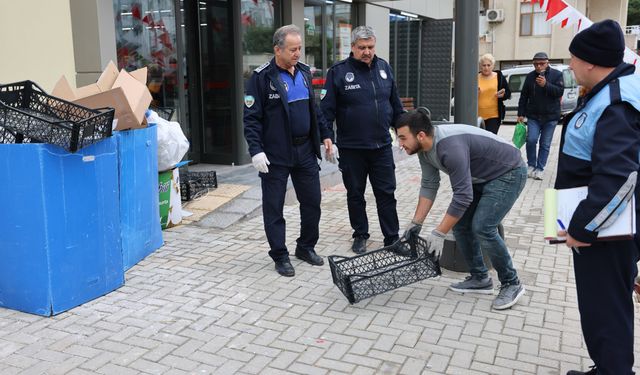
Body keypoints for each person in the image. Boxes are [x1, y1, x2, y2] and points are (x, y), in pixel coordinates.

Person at [555, 19, 640, 375]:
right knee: (605, 304)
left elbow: (620, 178)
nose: (570, 66)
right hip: (605, 226)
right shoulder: (611, 89)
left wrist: (583, 228)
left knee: (605, 306)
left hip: (605, 232)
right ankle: (608, 366)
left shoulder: (617, 102)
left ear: (589, 61)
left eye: (573, 59)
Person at [395, 108, 527, 310]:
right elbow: (429, 185)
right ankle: (480, 278)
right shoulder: (424, 150)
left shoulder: (449, 148)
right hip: (482, 176)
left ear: (420, 135)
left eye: (403, 138)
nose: (400, 144)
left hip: (508, 172)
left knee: (483, 227)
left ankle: (512, 283)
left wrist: (439, 232)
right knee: (461, 225)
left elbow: (463, 196)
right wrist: (416, 223)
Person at [244, 25, 333, 277]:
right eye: (292, 49)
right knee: (274, 207)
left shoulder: (304, 73)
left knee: (312, 202)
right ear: (277, 49)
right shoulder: (261, 78)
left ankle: (305, 247)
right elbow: (251, 119)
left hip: (304, 150)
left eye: (299, 49)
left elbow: (314, 111)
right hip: (275, 155)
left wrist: (326, 135)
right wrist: (255, 150)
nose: (297, 53)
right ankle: (280, 256)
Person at [320, 25, 404, 254]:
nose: (367, 52)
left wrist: (404, 132)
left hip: (382, 147)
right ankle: (360, 234)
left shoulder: (384, 67)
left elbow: (395, 104)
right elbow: (326, 110)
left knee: (386, 193)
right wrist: (327, 136)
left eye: (370, 47)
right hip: (352, 148)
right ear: (353, 47)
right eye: (362, 48)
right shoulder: (338, 72)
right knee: (355, 194)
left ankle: (392, 239)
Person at [517, 51, 564, 180]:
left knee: (545, 144)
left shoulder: (557, 75)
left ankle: (540, 168)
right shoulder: (530, 76)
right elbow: (524, 96)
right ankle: (531, 165)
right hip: (533, 116)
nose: (538, 67)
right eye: (535, 64)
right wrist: (520, 113)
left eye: (541, 64)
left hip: (551, 117)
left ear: (547, 63)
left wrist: (546, 85)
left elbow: (559, 92)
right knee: (531, 140)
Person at [477, 53, 511, 134]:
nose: (486, 68)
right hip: (478, 116)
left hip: (494, 116)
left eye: (489, 65)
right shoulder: (475, 77)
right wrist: (475, 94)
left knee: (489, 139)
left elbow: (508, 93)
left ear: (493, 66)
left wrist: (503, 95)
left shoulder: (499, 76)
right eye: (484, 65)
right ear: (480, 66)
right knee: (479, 140)